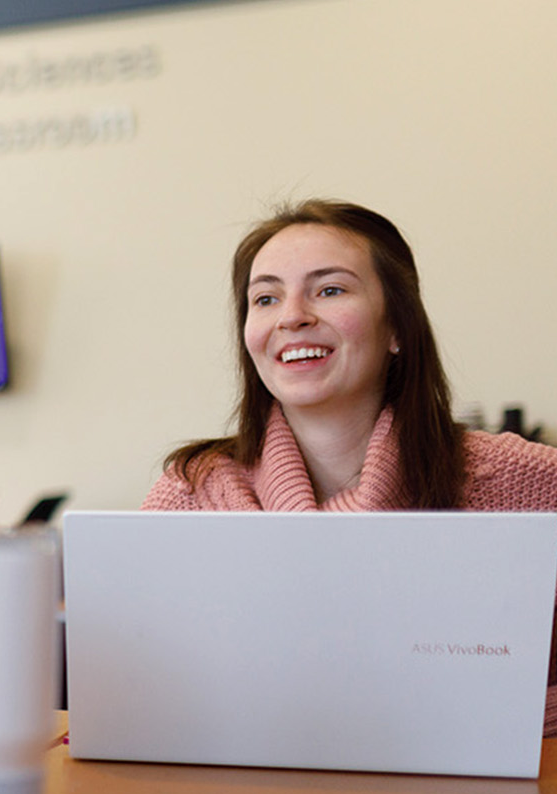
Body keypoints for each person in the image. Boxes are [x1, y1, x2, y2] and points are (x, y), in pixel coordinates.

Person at [145, 199, 557, 736]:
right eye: (265, 298)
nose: (291, 316)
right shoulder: (192, 494)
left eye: (330, 289)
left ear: (397, 329)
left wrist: (505, 726)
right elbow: (144, 690)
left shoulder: (525, 482)